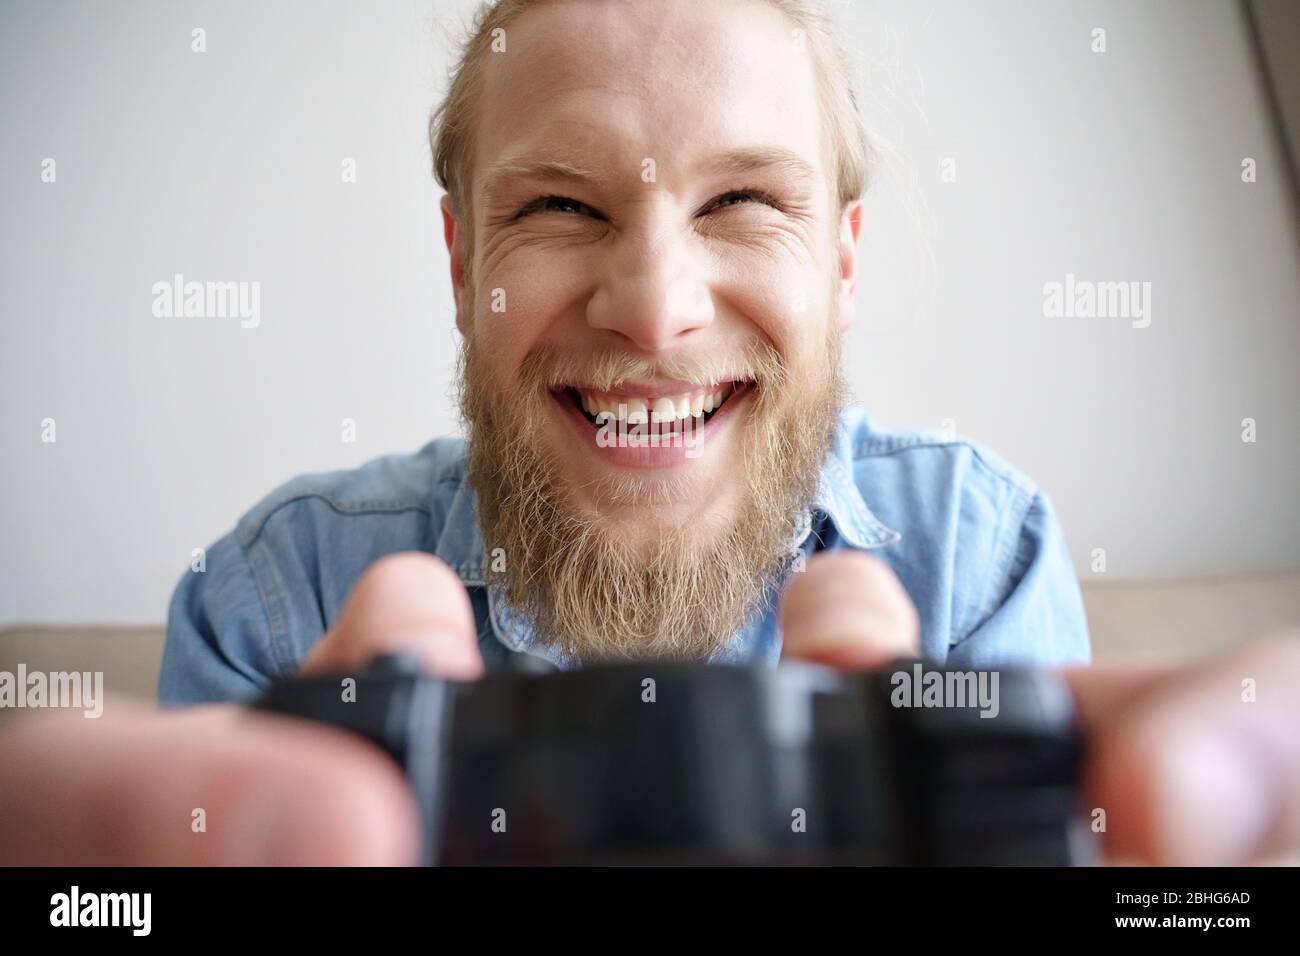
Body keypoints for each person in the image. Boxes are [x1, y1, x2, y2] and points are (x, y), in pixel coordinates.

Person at [2, 0, 1295, 866]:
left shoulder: (978, 553)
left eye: (742, 199)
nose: (655, 313)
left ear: (842, 265)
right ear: (464, 267)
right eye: (560, 205)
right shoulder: (273, 602)